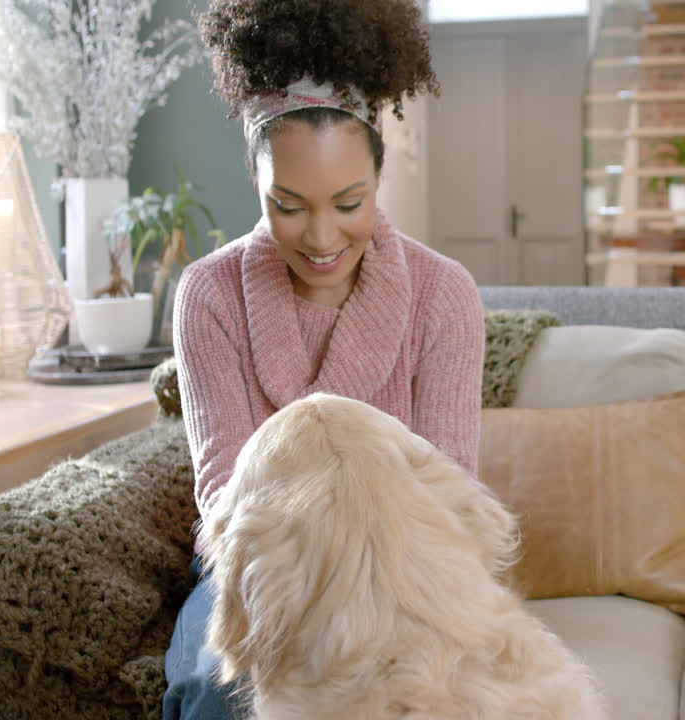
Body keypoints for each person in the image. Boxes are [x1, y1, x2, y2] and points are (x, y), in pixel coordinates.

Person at [163, 1, 485, 717]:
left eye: (348, 203)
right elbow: (225, 498)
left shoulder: (443, 294)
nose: (319, 237)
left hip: (402, 573)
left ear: (379, 176)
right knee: (214, 692)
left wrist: (358, 592)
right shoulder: (208, 295)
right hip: (257, 573)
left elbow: (451, 494)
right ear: (254, 179)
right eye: (288, 204)